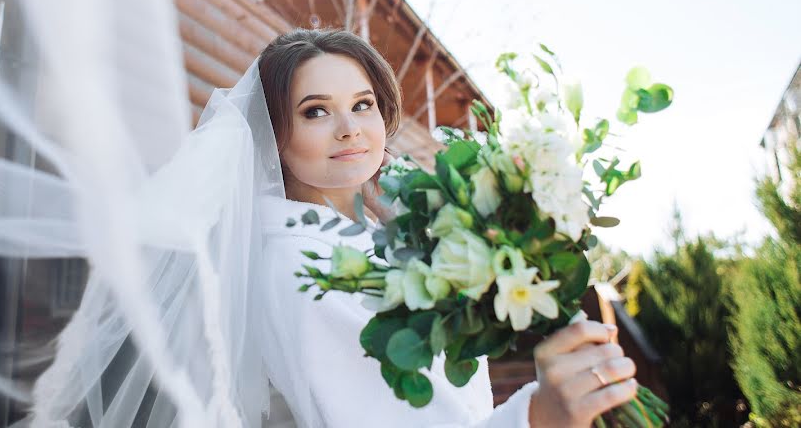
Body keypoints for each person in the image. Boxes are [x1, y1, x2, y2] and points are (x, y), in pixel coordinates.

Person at [253, 29, 639, 428]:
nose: (349, 128)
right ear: (273, 134)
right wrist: (537, 418)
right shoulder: (299, 264)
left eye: (362, 104)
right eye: (315, 111)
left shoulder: (381, 238)